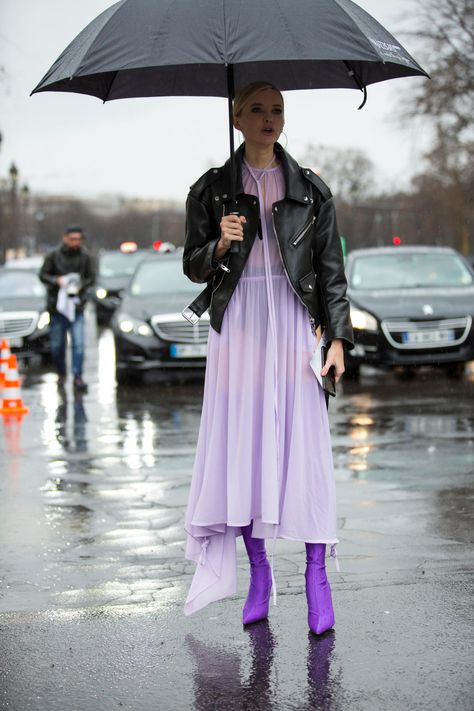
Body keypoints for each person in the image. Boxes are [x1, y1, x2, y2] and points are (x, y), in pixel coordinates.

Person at [182, 82, 353, 635]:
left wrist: (339, 341)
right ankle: (258, 574)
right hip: (240, 329)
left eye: (276, 109)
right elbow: (192, 266)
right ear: (236, 117)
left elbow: (331, 271)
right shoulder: (211, 191)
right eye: (256, 109)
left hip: (295, 322)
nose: (268, 118)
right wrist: (222, 244)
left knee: (302, 447)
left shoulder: (312, 189)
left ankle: (315, 575)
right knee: (248, 448)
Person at [39, 225, 95, 392]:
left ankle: (78, 376)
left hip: (76, 307)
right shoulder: (53, 256)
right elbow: (43, 275)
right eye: (73, 239)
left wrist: (79, 285)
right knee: (57, 346)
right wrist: (57, 281)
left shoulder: (85, 257)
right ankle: (61, 373)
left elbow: (91, 278)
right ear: (65, 238)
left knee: (78, 344)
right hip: (57, 309)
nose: (76, 242)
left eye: (79, 239)